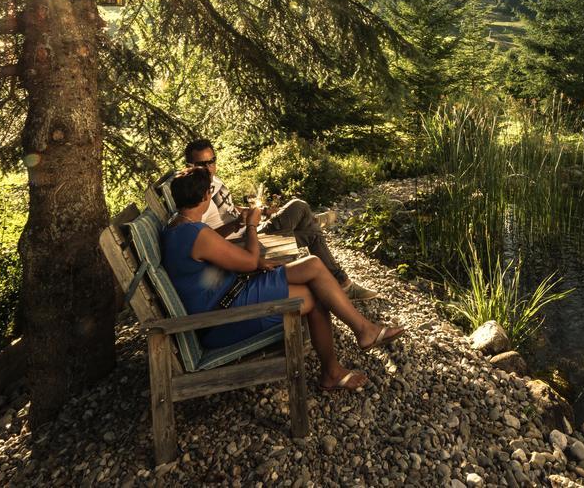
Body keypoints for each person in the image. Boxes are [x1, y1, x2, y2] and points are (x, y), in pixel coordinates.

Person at [160, 167, 405, 391]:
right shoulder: (195, 233)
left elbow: (215, 257)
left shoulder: (177, 225)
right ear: (205, 196)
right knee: (316, 292)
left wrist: (252, 258)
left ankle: (359, 337)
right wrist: (253, 227)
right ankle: (352, 346)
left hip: (232, 293)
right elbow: (249, 260)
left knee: (313, 267)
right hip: (224, 317)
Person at [180, 138, 378, 300]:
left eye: (211, 161)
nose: (208, 168)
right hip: (245, 242)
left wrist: (262, 211)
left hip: (250, 229)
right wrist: (241, 224)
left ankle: (313, 225)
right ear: (190, 165)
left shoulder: (214, 181)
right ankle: (342, 281)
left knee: (303, 217)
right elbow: (204, 237)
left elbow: (228, 207)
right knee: (306, 221)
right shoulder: (196, 193)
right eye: (201, 164)